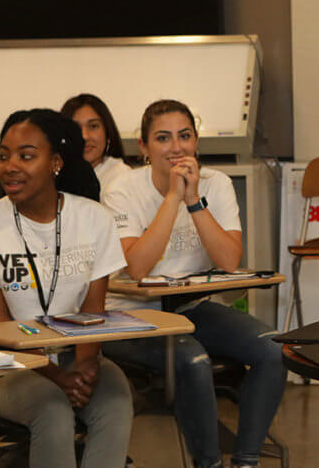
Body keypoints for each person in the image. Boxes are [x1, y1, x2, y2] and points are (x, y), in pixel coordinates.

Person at [101, 99, 284, 468]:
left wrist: (194, 200)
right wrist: (172, 197)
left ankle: (245, 460)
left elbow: (229, 260)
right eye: (163, 138)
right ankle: (208, 463)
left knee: (273, 350)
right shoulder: (122, 189)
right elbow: (137, 266)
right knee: (192, 360)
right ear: (144, 148)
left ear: (196, 141)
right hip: (133, 315)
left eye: (184, 136)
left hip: (190, 307)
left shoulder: (216, 184)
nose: (176, 147)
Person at [0, 109, 133, 468]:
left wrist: (85, 369)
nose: (9, 166)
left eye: (26, 156)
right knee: (51, 409)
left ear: (56, 163)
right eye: (4, 156)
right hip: (4, 365)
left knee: (116, 401)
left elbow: (94, 313)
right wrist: (57, 377)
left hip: (75, 354)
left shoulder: (94, 219)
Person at [60, 93, 132, 192]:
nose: (84, 136)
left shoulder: (122, 177)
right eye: (75, 128)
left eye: (93, 126)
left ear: (107, 132)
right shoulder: (54, 177)